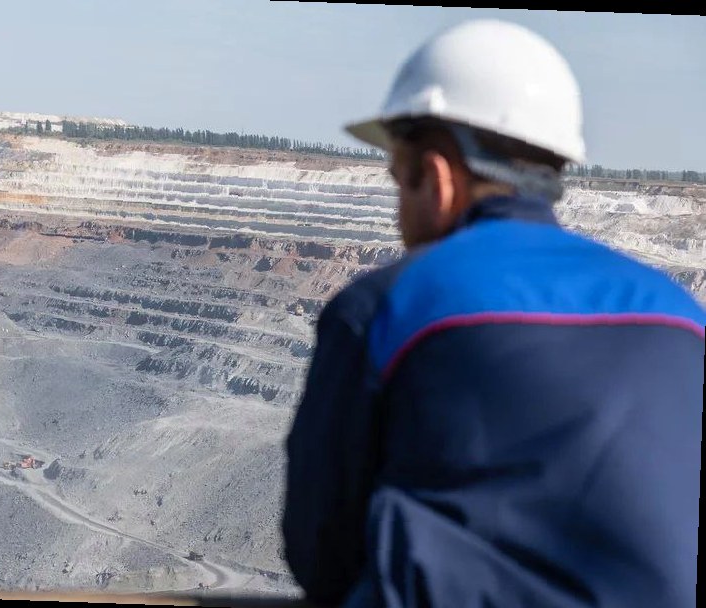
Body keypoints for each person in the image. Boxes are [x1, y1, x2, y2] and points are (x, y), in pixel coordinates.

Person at [281, 18, 704, 608]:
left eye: (399, 181)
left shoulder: (386, 307)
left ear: (436, 177)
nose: (398, 213)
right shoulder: (682, 316)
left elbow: (322, 552)